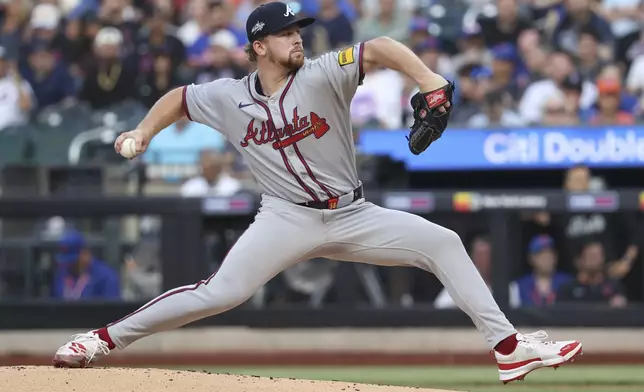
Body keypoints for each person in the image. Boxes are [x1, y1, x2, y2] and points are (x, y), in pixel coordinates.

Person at [53, 2, 582, 383]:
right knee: (221, 293)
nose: (297, 38)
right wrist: (144, 132)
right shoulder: (228, 96)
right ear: (259, 46)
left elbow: (379, 47)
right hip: (285, 218)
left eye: (298, 29)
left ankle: (508, 348)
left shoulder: (325, 73)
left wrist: (428, 79)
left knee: (444, 241)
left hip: (354, 213)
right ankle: (101, 339)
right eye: (285, 33)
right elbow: (179, 98)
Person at [52, 230, 121, 301]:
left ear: (85, 253)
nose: (69, 265)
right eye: (67, 261)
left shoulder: (106, 277)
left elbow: (112, 310)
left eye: (74, 261)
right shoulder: (62, 273)